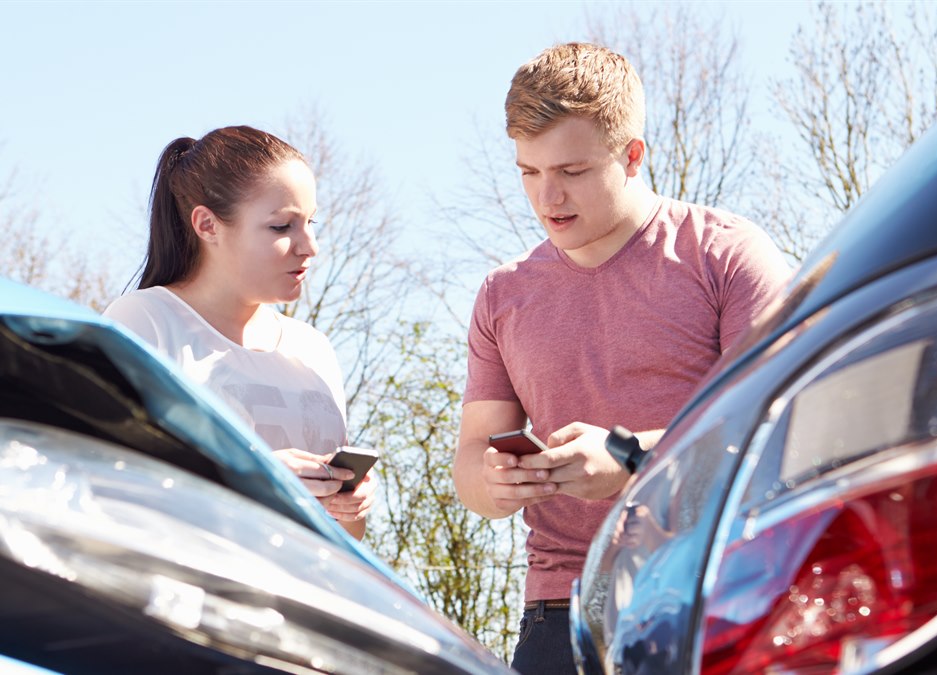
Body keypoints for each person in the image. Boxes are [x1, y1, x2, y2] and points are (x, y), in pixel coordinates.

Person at [453, 43, 793, 673]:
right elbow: (472, 460)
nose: (546, 196)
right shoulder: (502, 295)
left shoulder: (726, 256)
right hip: (561, 615)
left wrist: (635, 463)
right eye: (528, 171)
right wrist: (496, 483)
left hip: (715, 594)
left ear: (633, 154)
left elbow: (782, 429)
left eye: (572, 171)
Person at [104, 125, 374, 540]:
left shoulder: (313, 349)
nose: (310, 245)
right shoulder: (145, 322)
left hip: (304, 598)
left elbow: (347, 537)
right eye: (282, 227)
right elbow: (108, 488)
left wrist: (350, 505)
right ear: (207, 225)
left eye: (311, 222)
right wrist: (253, 477)